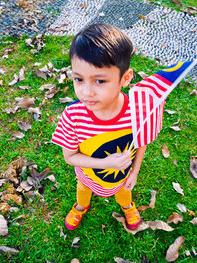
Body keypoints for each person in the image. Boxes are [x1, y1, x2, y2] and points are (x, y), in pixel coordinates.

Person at [51, 23, 147, 231]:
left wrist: (135, 171)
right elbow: (70, 157)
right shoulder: (73, 117)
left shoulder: (137, 111)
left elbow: (142, 141)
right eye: (79, 79)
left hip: (122, 176)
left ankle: (127, 206)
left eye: (100, 81)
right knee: (83, 190)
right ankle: (80, 206)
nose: (87, 92)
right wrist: (105, 163)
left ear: (125, 78)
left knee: (124, 192)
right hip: (88, 175)